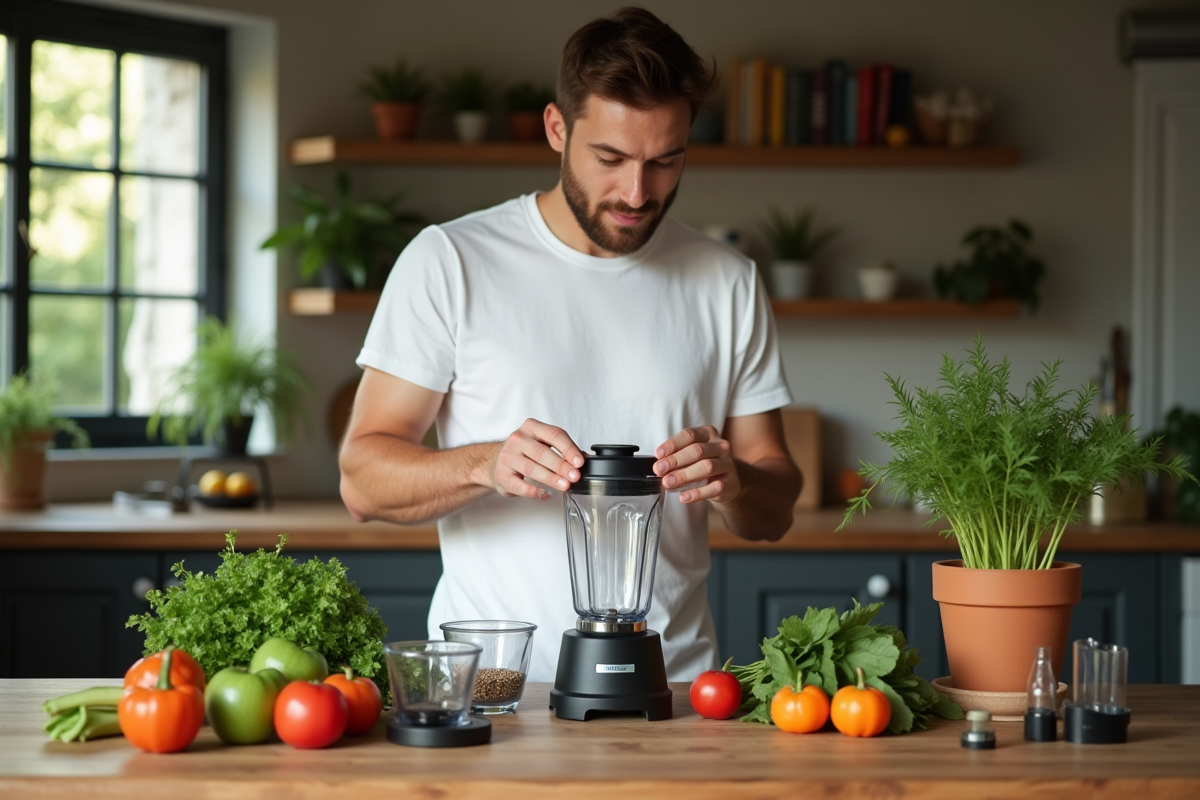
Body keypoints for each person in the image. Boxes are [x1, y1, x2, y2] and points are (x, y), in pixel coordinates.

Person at [339, 6, 801, 683]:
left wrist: (733, 483)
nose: (637, 193)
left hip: (674, 693)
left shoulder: (727, 280)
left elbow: (776, 504)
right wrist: (485, 464)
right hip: (493, 689)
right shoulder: (450, 260)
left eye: (665, 161)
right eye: (610, 159)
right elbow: (361, 480)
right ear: (557, 129)